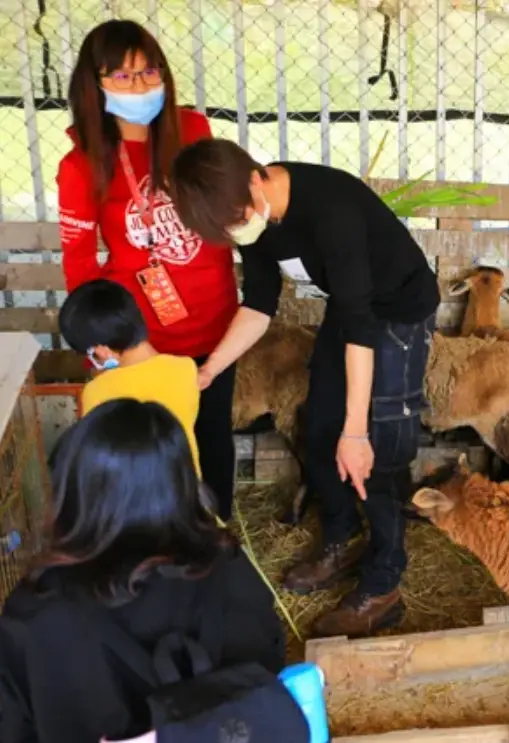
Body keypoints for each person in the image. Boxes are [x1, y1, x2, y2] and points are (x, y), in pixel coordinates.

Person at [169, 137, 441, 638]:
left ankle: (384, 584)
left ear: (257, 178)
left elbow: (362, 326)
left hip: (397, 309)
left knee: (378, 449)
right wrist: (209, 370)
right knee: (316, 429)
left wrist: (356, 433)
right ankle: (343, 537)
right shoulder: (251, 223)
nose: (236, 231)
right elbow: (259, 303)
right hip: (351, 305)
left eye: (236, 218)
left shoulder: (328, 209)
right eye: (225, 230)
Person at [0, 399, 285, 743]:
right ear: (183, 483)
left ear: (71, 491)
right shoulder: (232, 572)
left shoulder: (33, 616)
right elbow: (270, 681)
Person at [58, 19, 239, 519]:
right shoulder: (82, 165)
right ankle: (161, 545)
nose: (139, 86)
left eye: (147, 72)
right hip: (143, 339)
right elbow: (79, 260)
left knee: (212, 435)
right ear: (94, 85)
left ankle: (217, 535)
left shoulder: (194, 131)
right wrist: (100, 341)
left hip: (215, 323)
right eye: (121, 76)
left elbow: (228, 207)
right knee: (155, 446)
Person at [58, 278, 202, 477]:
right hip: (183, 489)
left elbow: (97, 450)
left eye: (91, 355)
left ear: (103, 350)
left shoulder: (97, 391)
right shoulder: (185, 368)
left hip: (127, 496)